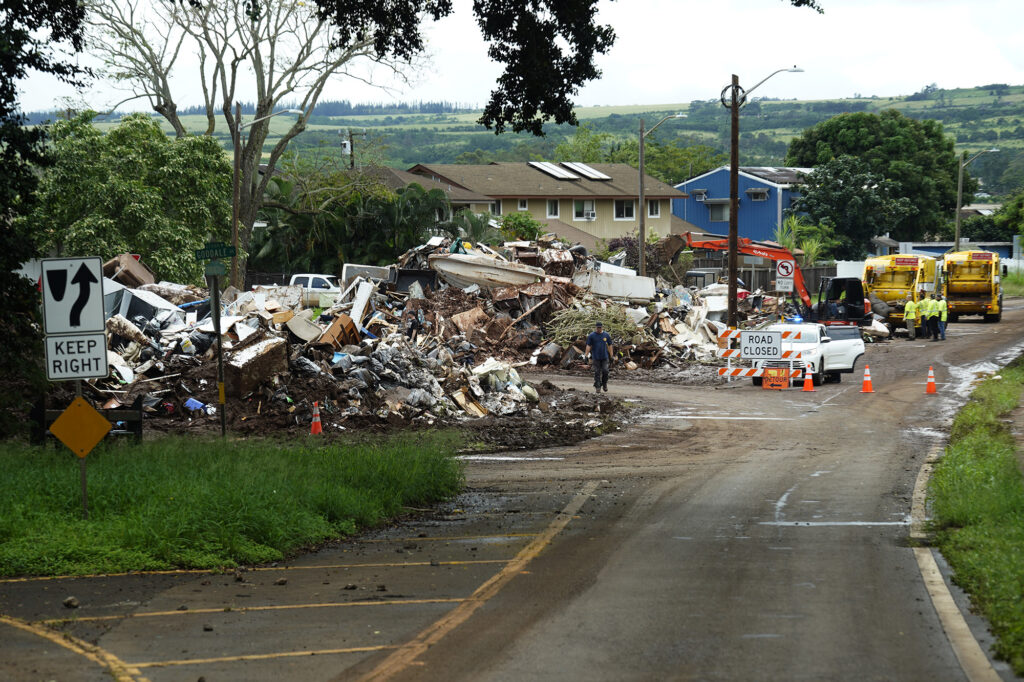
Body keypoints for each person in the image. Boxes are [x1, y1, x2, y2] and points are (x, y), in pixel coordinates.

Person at [585, 321, 614, 393]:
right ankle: (598, 386)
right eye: (598, 328)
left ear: (602, 327)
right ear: (596, 327)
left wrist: (611, 356)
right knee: (597, 372)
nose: (599, 329)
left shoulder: (606, 335)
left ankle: (604, 384)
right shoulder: (592, 336)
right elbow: (588, 346)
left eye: (600, 328)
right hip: (596, 357)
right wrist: (586, 355)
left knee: (605, 371)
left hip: (604, 357)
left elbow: (610, 345)